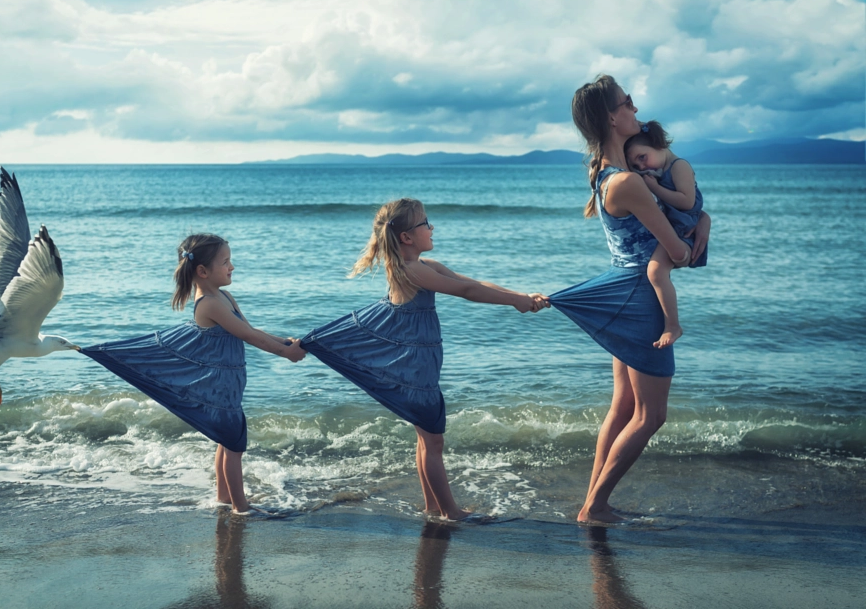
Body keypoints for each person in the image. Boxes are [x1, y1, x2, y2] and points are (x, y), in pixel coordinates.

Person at [299, 199, 549, 520]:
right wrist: (514, 302)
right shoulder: (412, 270)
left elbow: (472, 283)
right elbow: (466, 292)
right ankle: (450, 512)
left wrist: (521, 296)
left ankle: (433, 506)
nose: (432, 228)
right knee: (433, 441)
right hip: (415, 366)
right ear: (406, 237)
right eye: (425, 224)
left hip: (420, 361)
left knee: (426, 439)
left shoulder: (424, 265)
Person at [552, 75, 710, 524]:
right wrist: (695, 233)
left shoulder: (607, 176)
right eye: (627, 102)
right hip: (641, 300)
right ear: (611, 117)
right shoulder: (629, 182)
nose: (635, 107)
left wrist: (699, 222)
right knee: (651, 415)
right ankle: (595, 507)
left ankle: (593, 502)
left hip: (624, 291)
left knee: (623, 407)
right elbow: (676, 253)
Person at [80, 233, 305, 513]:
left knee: (227, 441)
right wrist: (285, 353)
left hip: (231, 380)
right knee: (234, 445)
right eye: (225, 262)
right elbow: (248, 336)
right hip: (219, 384)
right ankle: (241, 508)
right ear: (202, 271)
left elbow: (250, 329)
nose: (232, 266)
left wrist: (285, 342)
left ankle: (224, 498)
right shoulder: (209, 303)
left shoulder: (224, 296)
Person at [624, 120, 707, 348]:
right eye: (636, 165)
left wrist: (655, 188)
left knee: (656, 272)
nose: (642, 166)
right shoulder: (659, 169)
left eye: (643, 157)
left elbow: (686, 201)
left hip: (682, 228)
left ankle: (673, 326)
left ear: (659, 144)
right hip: (674, 226)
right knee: (656, 273)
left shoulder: (679, 166)